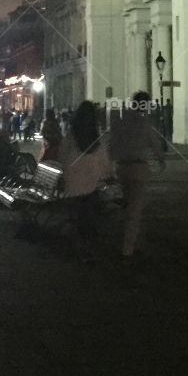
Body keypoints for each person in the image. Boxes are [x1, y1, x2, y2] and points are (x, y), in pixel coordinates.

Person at [109, 92, 165, 259]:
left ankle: (135, 242)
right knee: (135, 210)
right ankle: (128, 249)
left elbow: (112, 143)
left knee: (128, 205)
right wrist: (161, 159)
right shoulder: (143, 123)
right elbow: (154, 143)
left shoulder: (120, 121)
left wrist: (111, 162)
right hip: (138, 168)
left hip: (122, 167)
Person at [60, 101, 113, 262]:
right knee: (89, 217)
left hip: (72, 182)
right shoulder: (95, 137)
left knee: (77, 216)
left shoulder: (71, 135)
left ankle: (78, 247)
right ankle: (86, 249)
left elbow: (62, 155)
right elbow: (103, 159)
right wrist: (109, 174)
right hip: (91, 183)